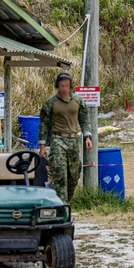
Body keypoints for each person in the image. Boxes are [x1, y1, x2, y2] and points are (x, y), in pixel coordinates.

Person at [38, 73, 93, 202]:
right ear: (58, 86)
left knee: (74, 174)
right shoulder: (50, 103)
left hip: (74, 139)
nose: (64, 89)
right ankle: (61, 204)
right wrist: (42, 146)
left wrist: (88, 137)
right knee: (59, 172)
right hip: (58, 139)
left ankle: (67, 201)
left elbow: (85, 120)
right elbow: (43, 125)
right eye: (62, 86)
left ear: (70, 87)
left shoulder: (78, 101)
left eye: (67, 86)